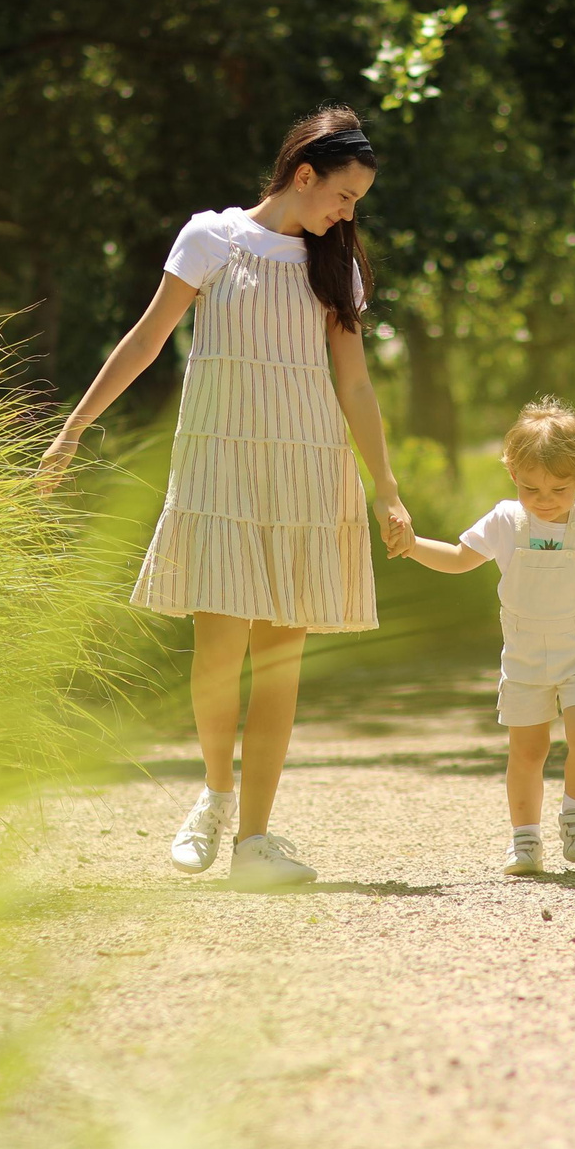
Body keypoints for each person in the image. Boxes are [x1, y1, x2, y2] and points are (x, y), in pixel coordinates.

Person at [38, 107, 414, 888]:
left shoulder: (333, 264)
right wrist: (75, 427)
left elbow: (354, 383)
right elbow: (146, 338)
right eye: (344, 196)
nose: (348, 214)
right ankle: (213, 795)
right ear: (304, 174)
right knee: (218, 655)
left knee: (280, 665)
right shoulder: (212, 239)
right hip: (221, 471)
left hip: (306, 472)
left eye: (357, 204)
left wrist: (387, 490)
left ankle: (255, 841)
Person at [404, 399, 575, 874]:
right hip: (524, 653)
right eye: (531, 487)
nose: (544, 499)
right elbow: (460, 559)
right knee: (527, 750)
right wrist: (412, 545)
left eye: (559, 488)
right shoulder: (506, 521)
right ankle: (524, 840)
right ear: (512, 475)